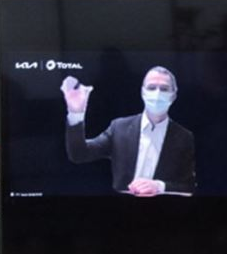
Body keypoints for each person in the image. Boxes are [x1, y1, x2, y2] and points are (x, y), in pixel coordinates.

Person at [61, 66, 195, 195]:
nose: (157, 93)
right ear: (143, 92)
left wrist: (160, 186)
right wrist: (76, 113)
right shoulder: (120, 128)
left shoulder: (185, 138)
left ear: (173, 95)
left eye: (164, 89)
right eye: (151, 87)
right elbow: (79, 154)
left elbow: (190, 185)